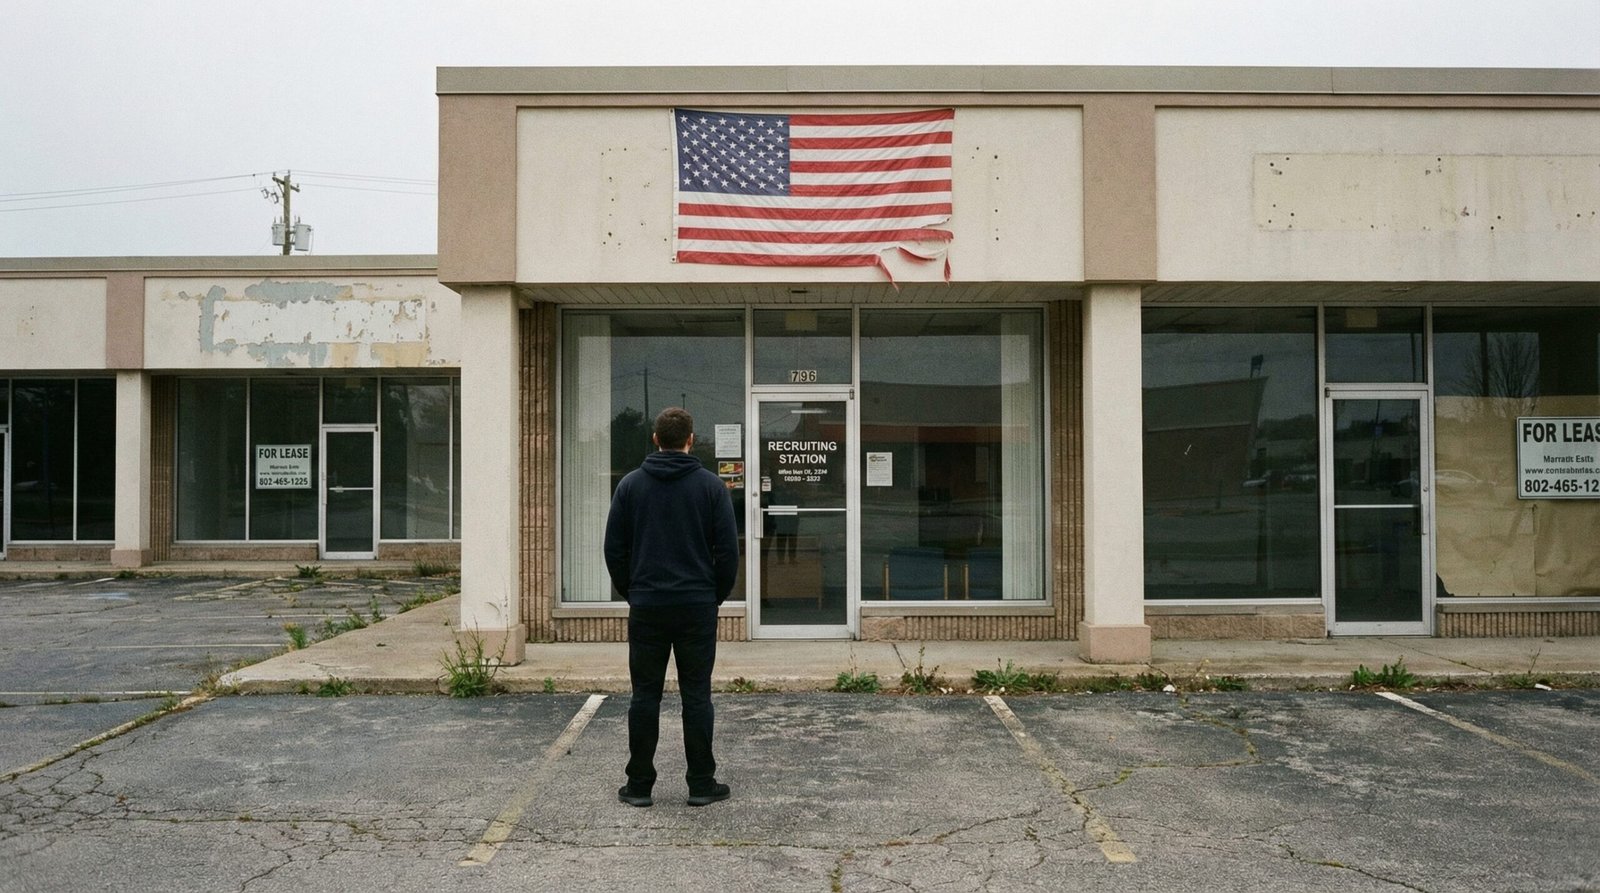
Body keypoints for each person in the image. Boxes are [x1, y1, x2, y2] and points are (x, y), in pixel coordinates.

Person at [604, 407, 740, 808]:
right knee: (696, 696)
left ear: (655, 439)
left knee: (644, 696)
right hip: (696, 606)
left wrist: (634, 592)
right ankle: (701, 783)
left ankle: (640, 785)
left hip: (648, 606)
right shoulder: (711, 488)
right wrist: (714, 594)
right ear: (690, 440)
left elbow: (614, 549)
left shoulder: (630, 486)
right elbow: (728, 553)